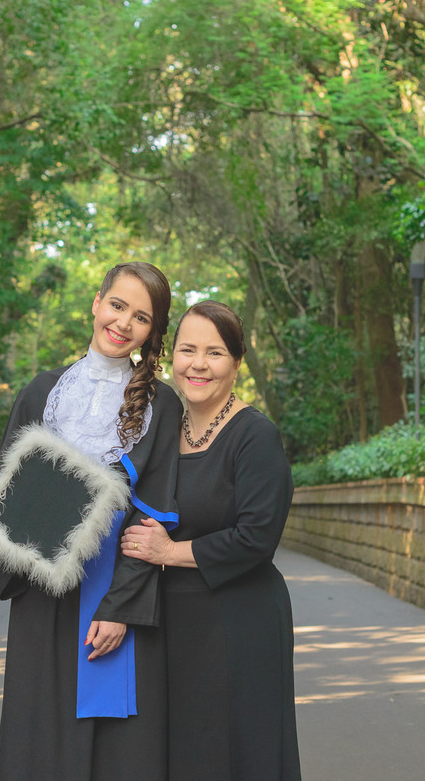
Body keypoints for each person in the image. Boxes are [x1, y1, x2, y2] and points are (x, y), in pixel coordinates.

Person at [0, 262, 181, 781]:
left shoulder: (163, 407)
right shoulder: (41, 391)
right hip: (40, 593)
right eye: (117, 305)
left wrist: (121, 607)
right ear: (96, 303)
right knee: (39, 737)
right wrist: (24, 561)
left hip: (112, 589)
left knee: (117, 748)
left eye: (141, 317)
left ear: (152, 332)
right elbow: (2, 489)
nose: (123, 323)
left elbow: (154, 515)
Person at [122, 300, 301, 781]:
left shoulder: (255, 436)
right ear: (171, 357)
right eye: (187, 350)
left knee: (241, 753)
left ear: (237, 363)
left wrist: (167, 552)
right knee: (187, 753)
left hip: (240, 620)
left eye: (215, 353)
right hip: (176, 623)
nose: (198, 364)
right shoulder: (163, 430)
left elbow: (256, 538)